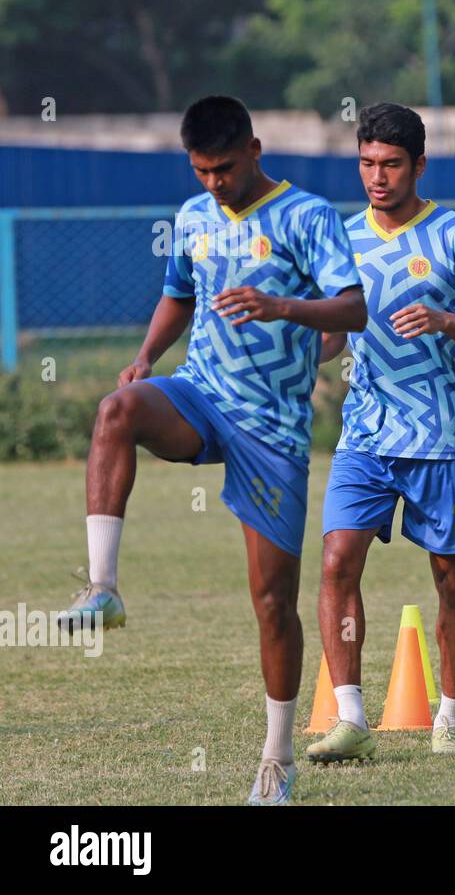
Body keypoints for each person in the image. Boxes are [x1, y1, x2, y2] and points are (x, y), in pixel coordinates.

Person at [58, 95, 367, 803]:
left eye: (224, 169)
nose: (213, 184)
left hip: (271, 429)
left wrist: (281, 306)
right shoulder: (193, 217)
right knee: (117, 411)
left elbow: (353, 309)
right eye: (201, 171)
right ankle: (104, 589)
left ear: (255, 149)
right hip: (201, 395)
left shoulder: (307, 216)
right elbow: (179, 294)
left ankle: (277, 758)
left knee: (270, 602)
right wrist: (145, 355)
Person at [306, 103, 455, 765]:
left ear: (418, 165)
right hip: (365, 435)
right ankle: (352, 718)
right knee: (337, 561)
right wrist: (297, 346)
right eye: (367, 163)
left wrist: (447, 321)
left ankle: (449, 718)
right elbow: (331, 333)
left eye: (391, 164)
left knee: (452, 580)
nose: (378, 176)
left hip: (439, 437)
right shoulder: (341, 240)